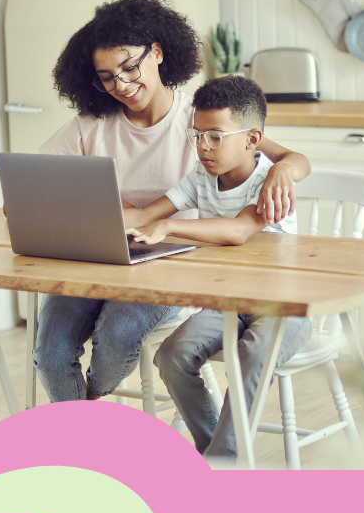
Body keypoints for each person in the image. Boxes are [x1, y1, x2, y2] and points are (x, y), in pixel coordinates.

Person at [34, 0, 311, 403]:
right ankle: (83, 433)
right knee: (51, 352)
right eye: (107, 76)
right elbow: (35, 185)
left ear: (158, 52)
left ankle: (83, 412)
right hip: (94, 256)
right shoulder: (91, 124)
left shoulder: (199, 119)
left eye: (130, 67)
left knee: (116, 336)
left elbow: (288, 156)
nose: (122, 85)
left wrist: (284, 170)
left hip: (169, 262)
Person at [127, 75, 312, 463]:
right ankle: (218, 454)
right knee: (172, 356)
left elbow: (239, 230)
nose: (202, 148)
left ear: (250, 139)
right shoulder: (201, 178)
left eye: (214, 136)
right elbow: (147, 213)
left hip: (283, 306)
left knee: (251, 353)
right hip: (226, 305)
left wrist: (171, 226)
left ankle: (223, 461)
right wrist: (95, 213)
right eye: (196, 136)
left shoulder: (271, 184)